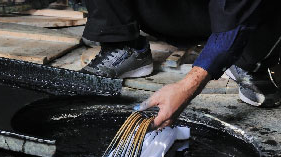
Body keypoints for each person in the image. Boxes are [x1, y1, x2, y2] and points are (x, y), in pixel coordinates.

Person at [0, 0, 280, 129]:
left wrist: (187, 86)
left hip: (236, 15)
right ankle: (124, 45)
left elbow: (235, 16)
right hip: (164, 11)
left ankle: (253, 60)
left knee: (247, 32)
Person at [80, 0, 281, 129]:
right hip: (172, 13)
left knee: (249, 27)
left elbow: (237, 9)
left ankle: (243, 60)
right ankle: (123, 43)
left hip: (244, 17)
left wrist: (187, 87)